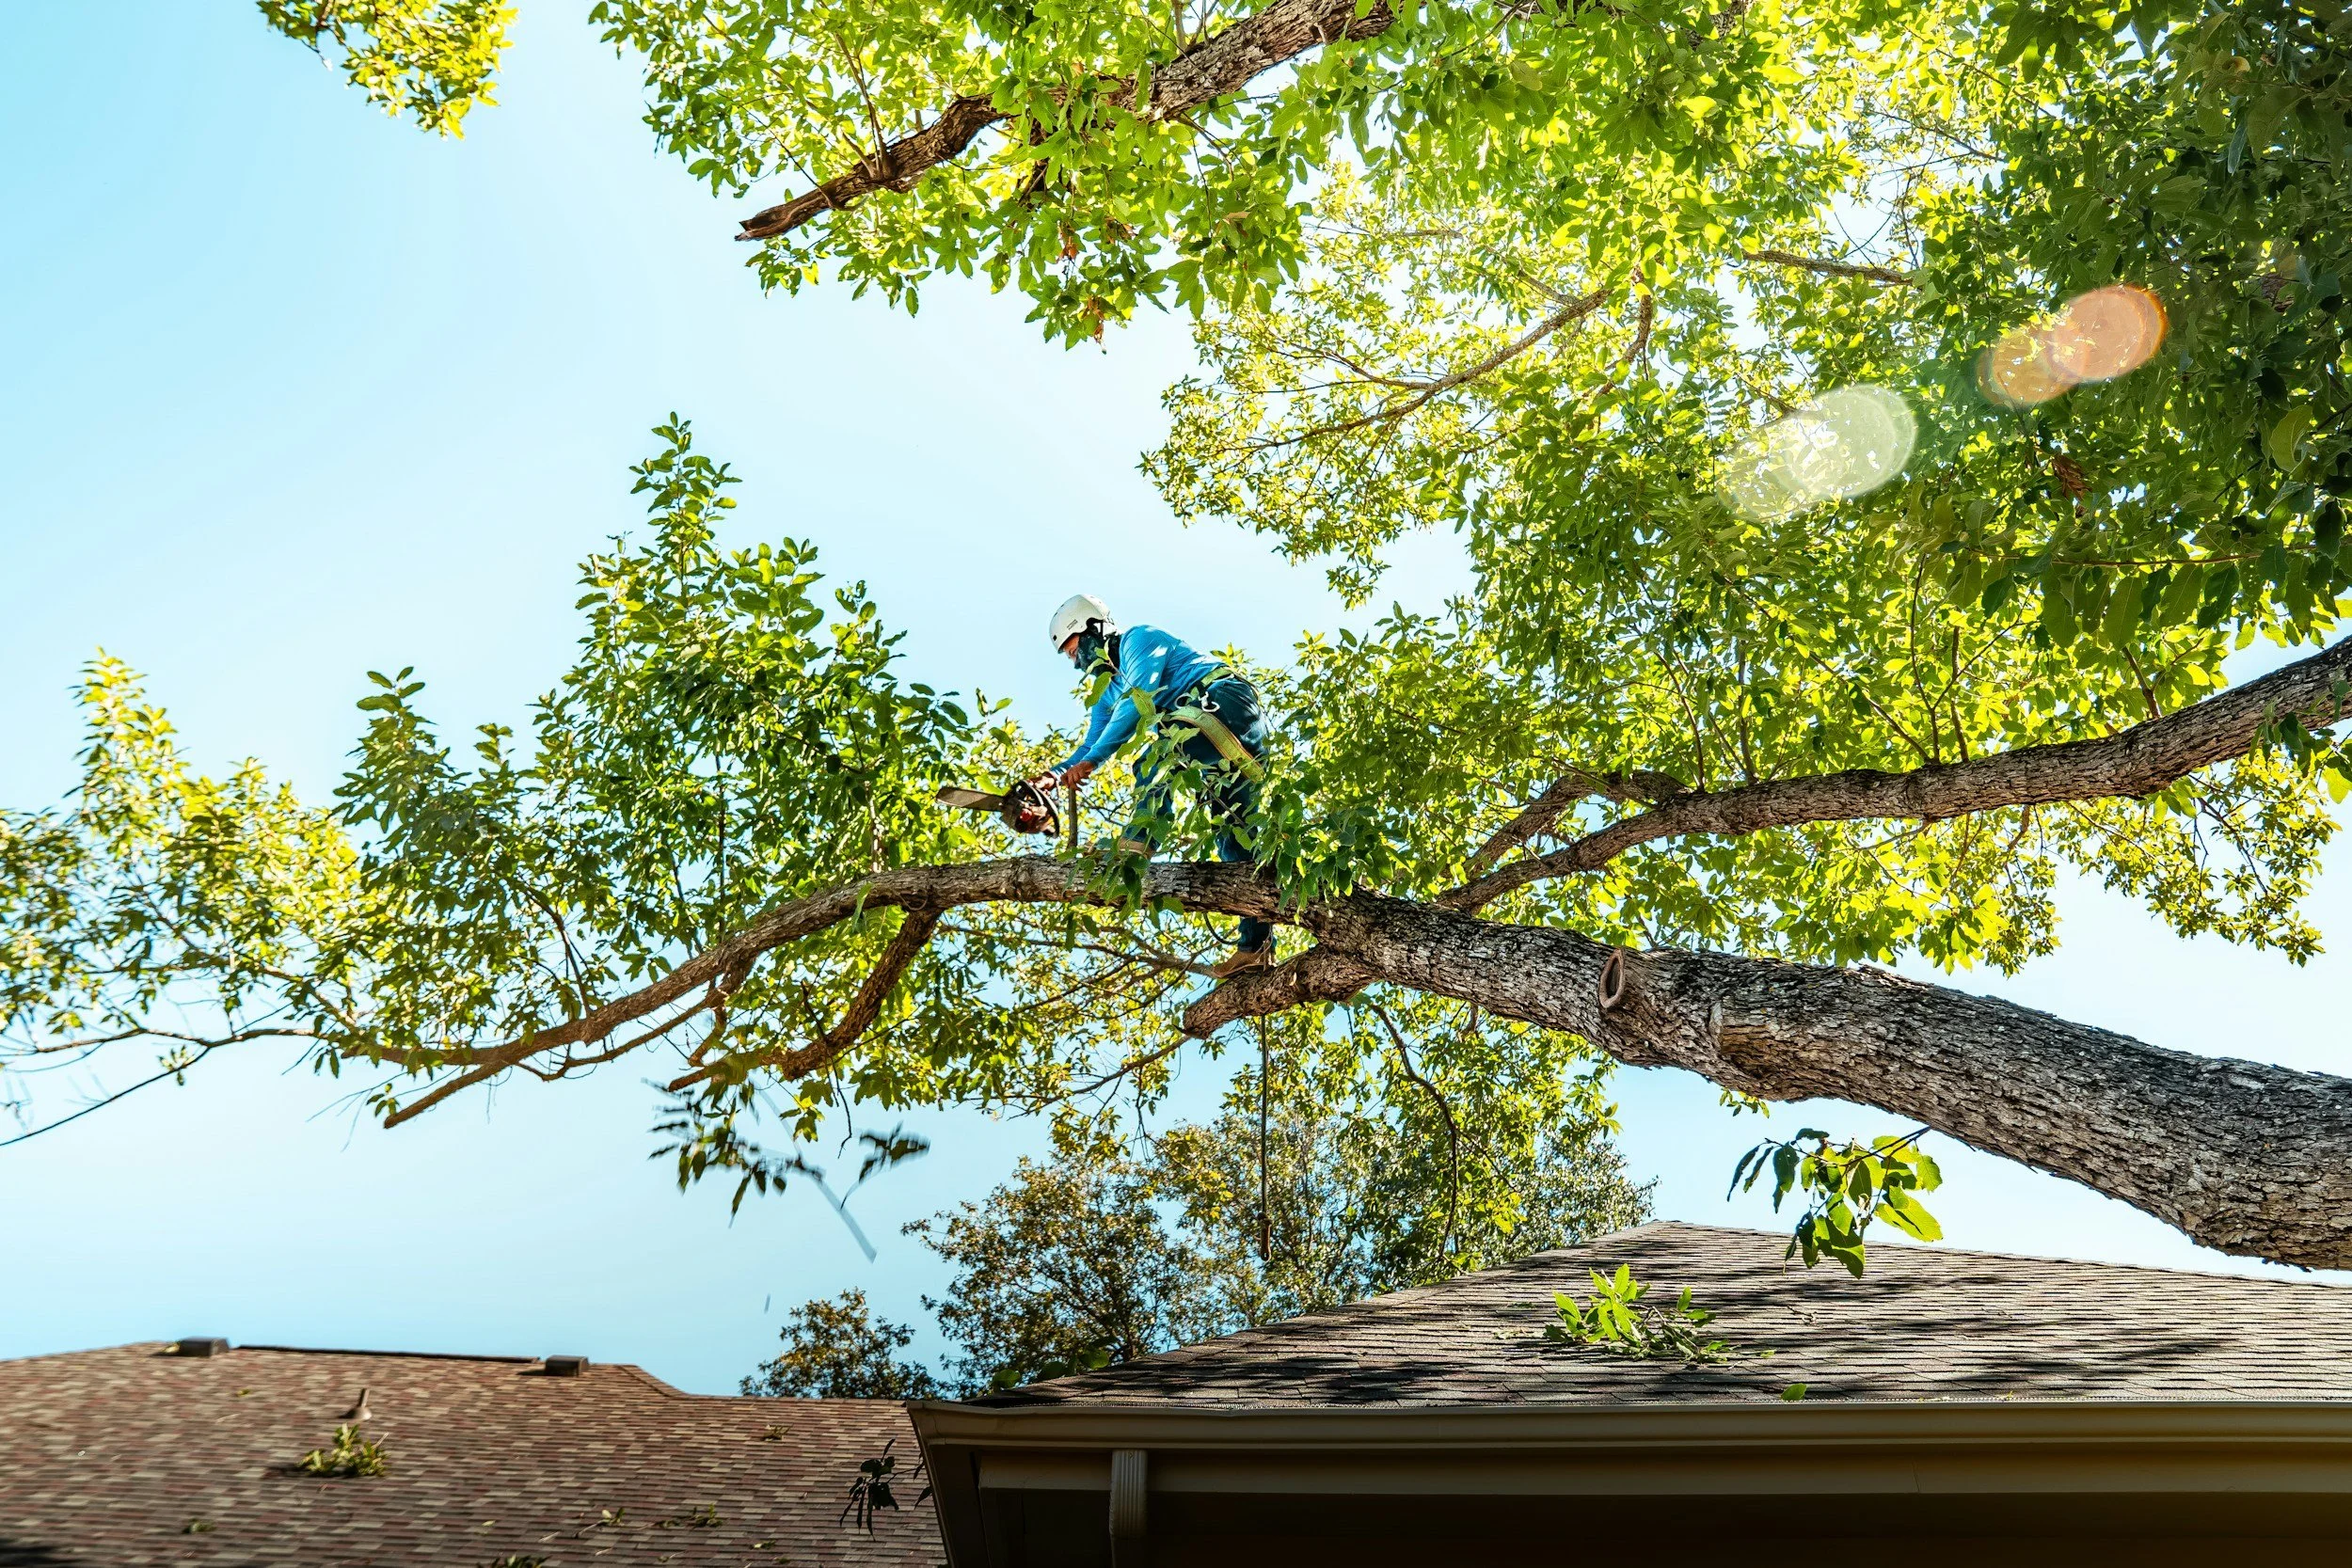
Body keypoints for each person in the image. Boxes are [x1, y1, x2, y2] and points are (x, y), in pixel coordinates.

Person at [1030, 594, 1274, 977]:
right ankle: (1256, 946)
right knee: (1236, 840)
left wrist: (1093, 761)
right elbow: (1089, 744)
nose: (1075, 663)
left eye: (1073, 649)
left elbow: (1138, 702)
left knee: (1155, 758)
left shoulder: (1139, 640)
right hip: (1209, 746)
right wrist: (1052, 777)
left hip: (1223, 704)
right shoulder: (1107, 692)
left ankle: (1137, 843)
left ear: (1093, 628)